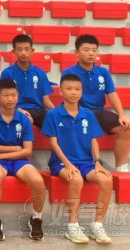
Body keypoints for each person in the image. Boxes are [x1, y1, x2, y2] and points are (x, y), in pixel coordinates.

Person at [41, 74, 113, 244]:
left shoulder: (88, 114)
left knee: (106, 180)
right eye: (69, 88)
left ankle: (97, 226)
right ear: (61, 91)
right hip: (60, 163)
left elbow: (93, 140)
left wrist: (98, 162)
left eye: (77, 89)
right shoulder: (53, 114)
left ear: (82, 92)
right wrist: (68, 164)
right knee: (76, 179)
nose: (73, 92)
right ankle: (73, 226)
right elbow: (53, 143)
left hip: (86, 162)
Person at [0, 78, 45, 241]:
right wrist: (16, 149)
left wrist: (2, 154)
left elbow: (27, 151)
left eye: (14, 95)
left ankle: (36, 219)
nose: (10, 99)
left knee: (38, 181)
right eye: (6, 95)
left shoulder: (24, 119)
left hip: (18, 161)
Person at [61, 34, 130, 171]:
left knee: (127, 128)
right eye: (86, 50)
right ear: (77, 52)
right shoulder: (69, 72)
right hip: (78, 111)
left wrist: (122, 115)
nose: (91, 53)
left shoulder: (103, 72)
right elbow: (67, 96)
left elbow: (112, 93)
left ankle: (121, 167)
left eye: (94, 50)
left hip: (99, 112)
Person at [0, 34, 54, 128]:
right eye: (19, 49)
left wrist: (57, 112)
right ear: (13, 51)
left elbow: (45, 99)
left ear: (32, 51)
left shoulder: (40, 73)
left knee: (57, 121)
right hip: (16, 110)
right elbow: (3, 99)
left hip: (39, 111)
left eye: (27, 49)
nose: (23, 53)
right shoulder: (7, 73)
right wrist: (17, 109)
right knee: (26, 120)